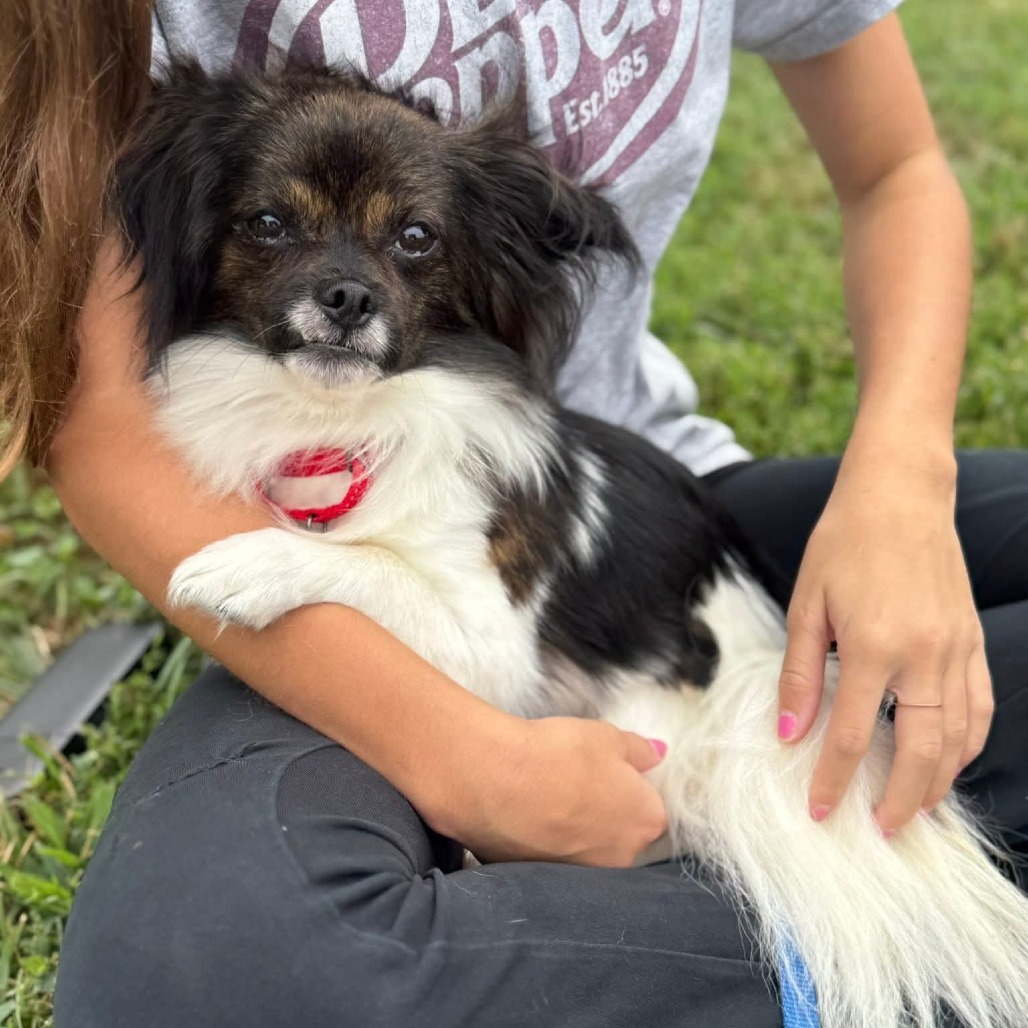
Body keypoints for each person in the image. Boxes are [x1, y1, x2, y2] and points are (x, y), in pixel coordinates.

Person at [0, 1, 1023, 1024]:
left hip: (642, 526)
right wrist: (481, 769)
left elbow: (898, 172)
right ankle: (849, 946)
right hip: (341, 620)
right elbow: (91, 416)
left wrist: (899, 486)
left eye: (409, 243)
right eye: (274, 225)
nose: (350, 286)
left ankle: (824, 919)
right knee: (200, 967)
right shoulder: (161, 109)